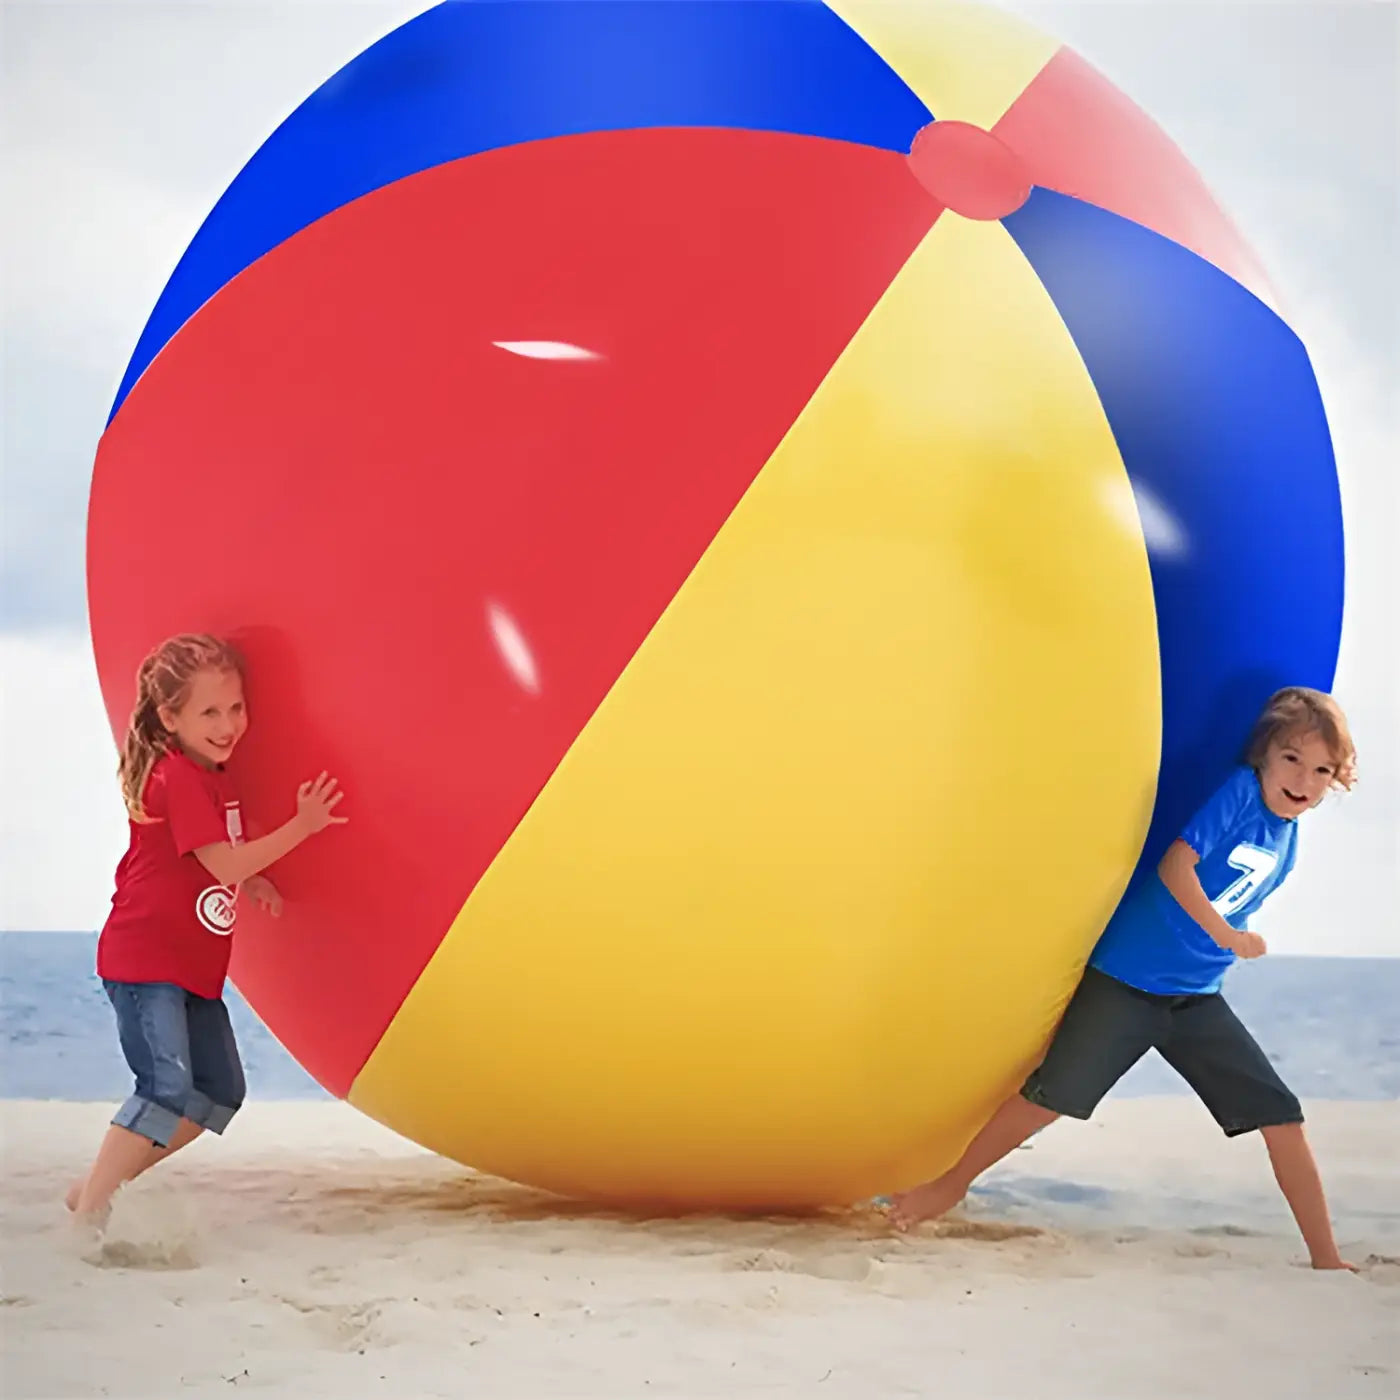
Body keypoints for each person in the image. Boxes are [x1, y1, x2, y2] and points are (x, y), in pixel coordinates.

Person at [886, 686, 1360, 1271]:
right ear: (1263, 755)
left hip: (1195, 998)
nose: (1304, 780)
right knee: (1048, 1097)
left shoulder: (1287, 838)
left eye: (1322, 770)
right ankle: (947, 1186)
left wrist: (1225, 941)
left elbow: (1236, 898)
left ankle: (1327, 1259)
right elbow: (1177, 865)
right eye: (1292, 759)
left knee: (1281, 1117)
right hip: (1126, 982)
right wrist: (1228, 936)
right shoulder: (1240, 794)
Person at [68, 633, 346, 1224]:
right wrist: (303, 825)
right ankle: (91, 1208)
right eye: (210, 712)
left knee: (220, 1093)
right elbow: (221, 861)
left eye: (236, 708)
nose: (228, 724)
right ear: (170, 717)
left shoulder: (214, 776)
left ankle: (94, 1185)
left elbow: (219, 857)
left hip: (193, 965)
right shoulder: (178, 777)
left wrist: (255, 882)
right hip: (146, 960)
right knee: (164, 1089)